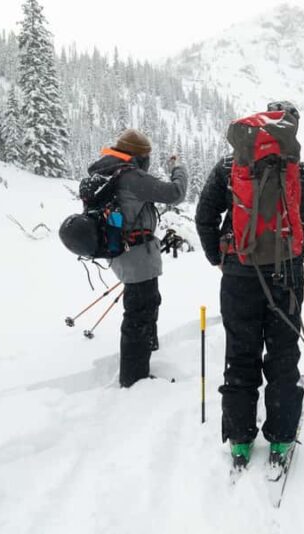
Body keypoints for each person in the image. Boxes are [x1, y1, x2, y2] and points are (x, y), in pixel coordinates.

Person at [195, 101, 304, 471]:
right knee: (283, 355)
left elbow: (205, 216)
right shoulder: (301, 173)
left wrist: (219, 257)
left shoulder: (229, 168)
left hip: (238, 275)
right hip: (287, 275)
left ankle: (240, 439)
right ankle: (282, 437)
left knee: (240, 353)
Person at [86, 129, 188, 388]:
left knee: (145, 303)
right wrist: (178, 168)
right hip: (135, 253)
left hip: (124, 251)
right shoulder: (130, 176)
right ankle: (134, 379)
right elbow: (175, 193)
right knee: (139, 314)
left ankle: (148, 349)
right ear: (137, 155)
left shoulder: (109, 171)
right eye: (146, 157)